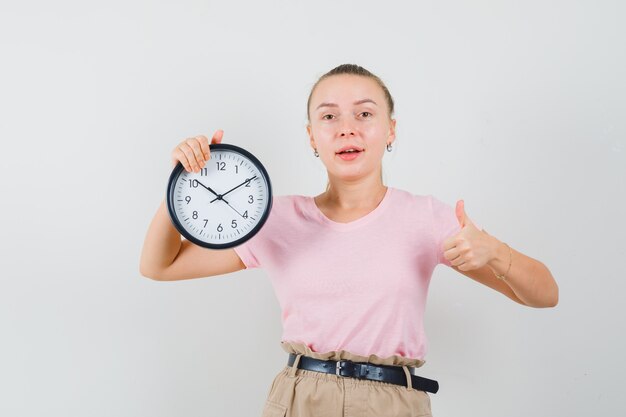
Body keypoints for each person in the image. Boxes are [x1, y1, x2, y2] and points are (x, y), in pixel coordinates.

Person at [139, 63, 559, 417]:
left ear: (390, 130)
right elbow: (160, 265)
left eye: (364, 114)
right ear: (311, 137)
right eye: (328, 117)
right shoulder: (276, 218)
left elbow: (544, 294)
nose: (346, 130)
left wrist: (497, 253)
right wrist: (182, 180)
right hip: (300, 398)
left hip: (393, 402)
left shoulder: (426, 217)